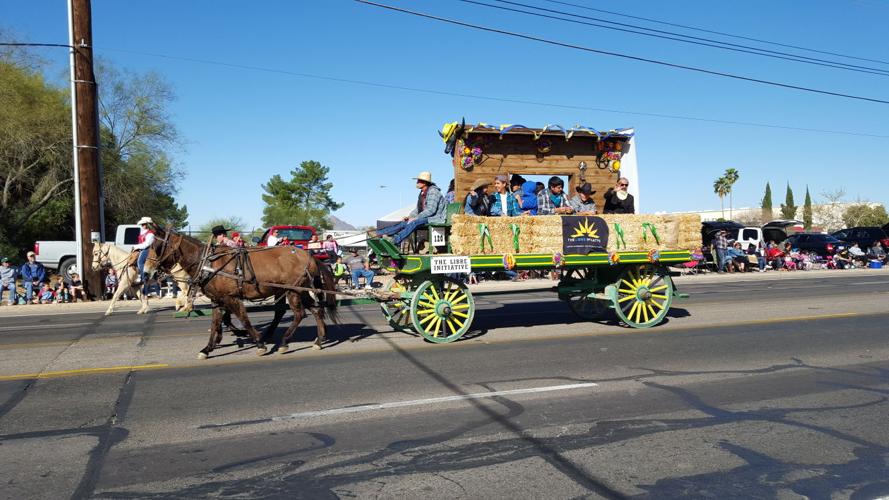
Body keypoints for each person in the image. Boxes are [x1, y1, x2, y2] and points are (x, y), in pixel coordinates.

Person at [372, 171, 447, 247]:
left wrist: (415, 218)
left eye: (418, 181)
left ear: (424, 183)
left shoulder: (433, 192)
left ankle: (395, 240)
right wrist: (410, 217)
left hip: (435, 218)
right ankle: (380, 233)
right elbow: (418, 209)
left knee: (414, 222)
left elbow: (431, 210)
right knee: (404, 223)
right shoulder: (422, 193)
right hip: (426, 217)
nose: (416, 183)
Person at [132, 216, 156, 284]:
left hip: (148, 249)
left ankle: (144, 277)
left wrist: (136, 246)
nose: (143, 226)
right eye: (142, 224)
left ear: (147, 225)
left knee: (140, 262)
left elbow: (147, 244)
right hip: (142, 248)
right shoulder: (142, 232)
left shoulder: (150, 233)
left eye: (144, 224)